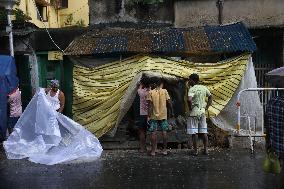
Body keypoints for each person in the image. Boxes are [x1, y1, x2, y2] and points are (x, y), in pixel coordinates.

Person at [147, 77, 174, 156]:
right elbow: (169, 102)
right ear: (161, 84)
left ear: (155, 84)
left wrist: (148, 116)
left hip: (154, 116)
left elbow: (150, 106)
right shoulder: (165, 91)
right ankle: (165, 150)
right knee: (164, 132)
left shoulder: (151, 92)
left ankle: (153, 151)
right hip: (163, 116)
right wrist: (172, 112)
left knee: (153, 132)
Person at [187, 73, 212, 155]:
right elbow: (210, 97)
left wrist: (190, 108)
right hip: (202, 112)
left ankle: (195, 151)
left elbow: (189, 100)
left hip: (194, 112)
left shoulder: (192, 89)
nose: (188, 81)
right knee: (204, 132)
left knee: (194, 132)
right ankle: (206, 150)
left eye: (189, 79)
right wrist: (206, 107)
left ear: (193, 80)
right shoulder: (204, 88)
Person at [137, 77, 150, 153]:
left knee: (142, 131)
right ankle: (151, 147)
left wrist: (141, 84)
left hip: (142, 114)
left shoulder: (141, 92)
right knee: (152, 131)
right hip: (151, 114)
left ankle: (142, 148)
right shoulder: (151, 92)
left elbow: (139, 87)